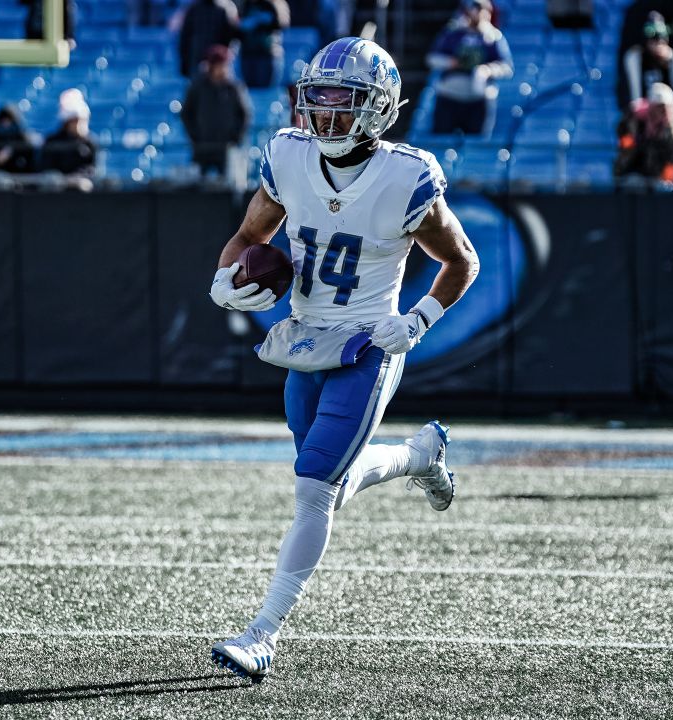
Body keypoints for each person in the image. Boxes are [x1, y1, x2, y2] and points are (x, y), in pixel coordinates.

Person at [206, 37, 480, 681]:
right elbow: (252, 235)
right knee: (329, 481)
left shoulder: (406, 176)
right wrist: (223, 278)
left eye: (342, 100)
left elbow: (460, 260)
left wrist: (417, 319)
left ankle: (262, 632)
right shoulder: (288, 156)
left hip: (366, 343)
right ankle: (420, 456)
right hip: (305, 336)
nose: (325, 114)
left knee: (312, 491)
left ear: (378, 108)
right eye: (318, 99)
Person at [425, 0, 514, 136]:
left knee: (476, 145)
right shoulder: (452, 33)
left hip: (478, 97)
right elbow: (432, 58)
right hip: (449, 96)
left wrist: (488, 70)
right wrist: (451, 62)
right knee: (441, 140)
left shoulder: (493, 37)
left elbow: (506, 67)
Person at [180, 45, 253, 178]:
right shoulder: (197, 87)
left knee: (227, 186)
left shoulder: (234, 88)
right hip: (202, 147)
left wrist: (235, 137)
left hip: (226, 148)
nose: (223, 69)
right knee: (199, 187)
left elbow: (245, 115)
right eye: (219, 65)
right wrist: (195, 136)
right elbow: (186, 114)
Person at [619, 12, 673, 127]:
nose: (658, 44)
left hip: (669, 122)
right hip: (643, 123)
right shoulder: (635, 59)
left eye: (661, 39)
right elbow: (625, 92)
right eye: (654, 40)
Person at [614, 82, 673, 184]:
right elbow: (625, 148)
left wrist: (668, 174)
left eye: (666, 107)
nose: (663, 111)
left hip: (658, 177)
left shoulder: (670, 125)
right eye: (659, 106)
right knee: (633, 183)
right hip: (632, 171)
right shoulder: (633, 119)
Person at [39, 88, 98, 175]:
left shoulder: (90, 143)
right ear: (67, 123)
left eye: (82, 120)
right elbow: (46, 167)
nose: (79, 124)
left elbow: (92, 168)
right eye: (75, 120)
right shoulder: (52, 141)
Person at [178, 0, 240, 80]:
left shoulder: (227, 9)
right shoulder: (194, 9)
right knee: (199, 88)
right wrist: (184, 62)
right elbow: (185, 37)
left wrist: (226, 57)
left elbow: (233, 37)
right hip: (197, 60)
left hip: (219, 63)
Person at [0, 104, 39, 174]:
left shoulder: (24, 141)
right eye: (3, 121)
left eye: (8, 121)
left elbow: (32, 167)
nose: (6, 125)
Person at [239, 0, 289, 89]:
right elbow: (238, 28)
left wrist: (263, 20)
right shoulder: (246, 5)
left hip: (266, 55)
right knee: (249, 91)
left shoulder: (271, 4)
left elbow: (281, 24)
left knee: (265, 90)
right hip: (247, 54)